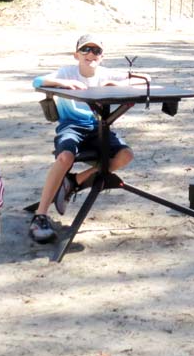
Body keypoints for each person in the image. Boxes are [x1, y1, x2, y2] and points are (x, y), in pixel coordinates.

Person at [29, 34, 150, 243]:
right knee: (65, 158)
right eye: (85, 50)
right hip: (71, 127)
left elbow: (146, 78)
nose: (91, 54)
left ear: (102, 56)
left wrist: (117, 83)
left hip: (98, 127)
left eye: (96, 51)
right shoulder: (67, 72)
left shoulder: (104, 73)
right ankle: (40, 216)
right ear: (76, 54)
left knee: (126, 155)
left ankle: (75, 181)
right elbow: (37, 81)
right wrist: (63, 83)